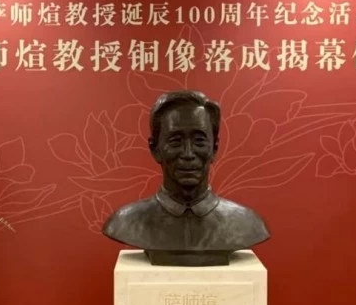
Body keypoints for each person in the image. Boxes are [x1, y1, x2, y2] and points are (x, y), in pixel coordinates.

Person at [102, 90, 270, 266]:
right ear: (155, 149)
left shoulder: (247, 224)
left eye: (199, 141)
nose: (188, 154)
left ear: (214, 148)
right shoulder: (125, 222)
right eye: (175, 141)